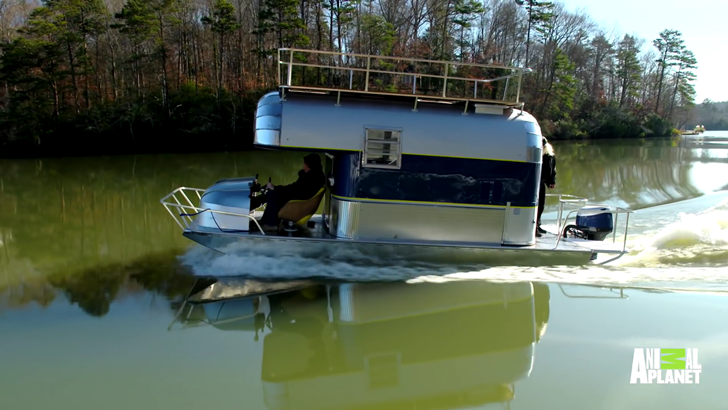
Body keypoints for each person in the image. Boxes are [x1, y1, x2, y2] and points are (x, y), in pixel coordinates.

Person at [251, 153, 326, 230]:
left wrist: (275, 188)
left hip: (297, 201)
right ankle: (265, 220)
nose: (303, 166)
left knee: (271, 195)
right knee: (270, 194)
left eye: (304, 164)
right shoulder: (314, 174)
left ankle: (271, 224)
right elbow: (294, 188)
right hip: (298, 198)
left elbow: (293, 190)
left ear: (309, 165)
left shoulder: (311, 178)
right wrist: (276, 188)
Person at [536, 137, 556, 237]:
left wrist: (551, 181)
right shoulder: (536, 155)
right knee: (537, 205)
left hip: (542, 183)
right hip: (536, 184)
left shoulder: (549, 156)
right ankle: (535, 227)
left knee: (541, 205)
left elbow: (552, 170)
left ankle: (538, 225)